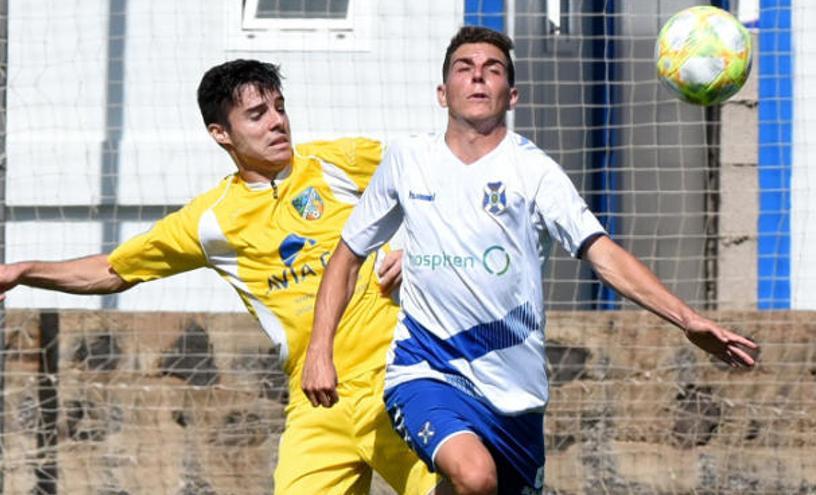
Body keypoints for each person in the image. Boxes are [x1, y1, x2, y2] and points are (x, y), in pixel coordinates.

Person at [301, 26, 759, 495]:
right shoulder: (406, 160)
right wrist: (320, 351)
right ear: (443, 93)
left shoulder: (534, 171)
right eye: (465, 68)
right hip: (426, 369)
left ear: (512, 94)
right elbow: (346, 257)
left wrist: (687, 319)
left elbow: (602, 254)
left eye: (492, 69)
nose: (478, 77)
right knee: (474, 476)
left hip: (515, 394)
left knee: (471, 485)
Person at [0, 59, 439, 495]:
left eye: (279, 108)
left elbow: (448, 180)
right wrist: (25, 271)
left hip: (398, 376)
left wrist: (419, 248)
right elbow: (112, 270)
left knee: (458, 484)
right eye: (257, 114)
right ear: (221, 133)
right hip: (317, 397)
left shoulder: (337, 163)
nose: (277, 122)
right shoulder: (211, 221)